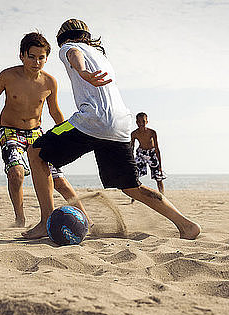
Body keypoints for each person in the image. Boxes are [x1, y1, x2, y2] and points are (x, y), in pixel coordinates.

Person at [25, 19, 200, 240]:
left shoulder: (68, 47)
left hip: (91, 121)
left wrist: (83, 72)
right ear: (87, 36)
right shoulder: (102, 57)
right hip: (120, 126)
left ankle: (45, 221)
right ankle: (186, 225)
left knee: (36, 152)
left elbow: (73, 56)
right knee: (131, 186)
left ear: (62, 39)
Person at [0, 32, 88, 227]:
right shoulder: (8, 76)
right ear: (22, 55)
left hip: (37, 133)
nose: (36, 62)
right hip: (10, 131)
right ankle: (20, 218)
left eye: (41, 57)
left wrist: (69, 138)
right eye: (31, 56)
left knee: (58, 180)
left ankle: (86, 219)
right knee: (16, 173)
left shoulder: (50, 82)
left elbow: (55, 112)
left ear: (47, 59)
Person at [131, 112, 166, 195]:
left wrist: (160, 165)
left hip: (151, 153)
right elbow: (131, 148)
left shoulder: (152, 132)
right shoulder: (134, 134)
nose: (141, 124)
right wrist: (131, 162)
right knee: (134, 174)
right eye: (139, 122)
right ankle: (134, 196)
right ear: (136, 122)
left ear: (147, 122)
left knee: (158, 176)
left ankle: (162, 195)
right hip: (141, 153)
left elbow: (157, 148)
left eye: (143, 121)